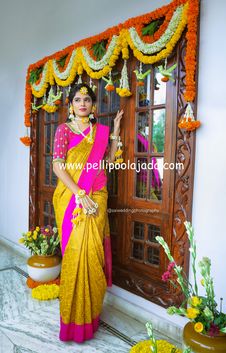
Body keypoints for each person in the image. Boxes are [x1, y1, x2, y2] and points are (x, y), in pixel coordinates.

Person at [52, 83, 123, 343]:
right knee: (74, 253)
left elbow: (109, 163)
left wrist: (114, 132)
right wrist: (79, 194)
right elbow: (58, 167)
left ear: (93, 106)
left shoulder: (100, 132)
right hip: (72, 198)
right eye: (78, 99)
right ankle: (71, 322)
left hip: (98, 197)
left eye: (87, 100)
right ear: (71, 105)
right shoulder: (63, 130)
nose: (83, 103)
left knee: (92, 254)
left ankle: (89, 318)